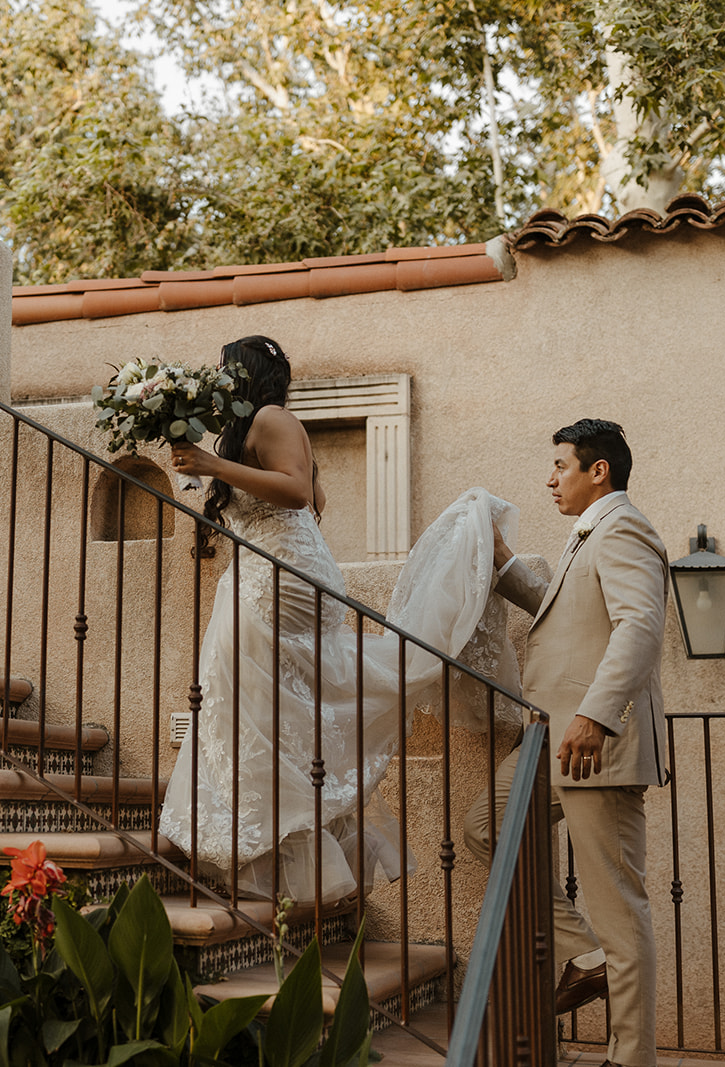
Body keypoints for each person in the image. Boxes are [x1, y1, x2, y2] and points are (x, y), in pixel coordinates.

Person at [156, 334, 522, 905]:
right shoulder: (263, 428)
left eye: (225, 372)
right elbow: (314, 494)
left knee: (244, 691)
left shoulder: (273, 417)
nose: (218, 382)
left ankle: (241, 831)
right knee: (260, 699)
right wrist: (200, 463)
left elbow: (300, 493)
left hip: (277, 574)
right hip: (277, 565)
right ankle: (253, 834)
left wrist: (212, 462)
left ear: (244, 374)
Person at [463, 418, 669, 1067]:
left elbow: (641, 624)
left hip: (593, 743)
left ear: (597, 469)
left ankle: (630, 1057)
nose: (549, 479)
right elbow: (563, 613)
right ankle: (588, 952)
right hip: (551, 743)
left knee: (620, 906)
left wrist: (596, 715)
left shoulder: (625, 526)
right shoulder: (587, 536)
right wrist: (504, 565)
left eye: (560, 466)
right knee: (484, 826)